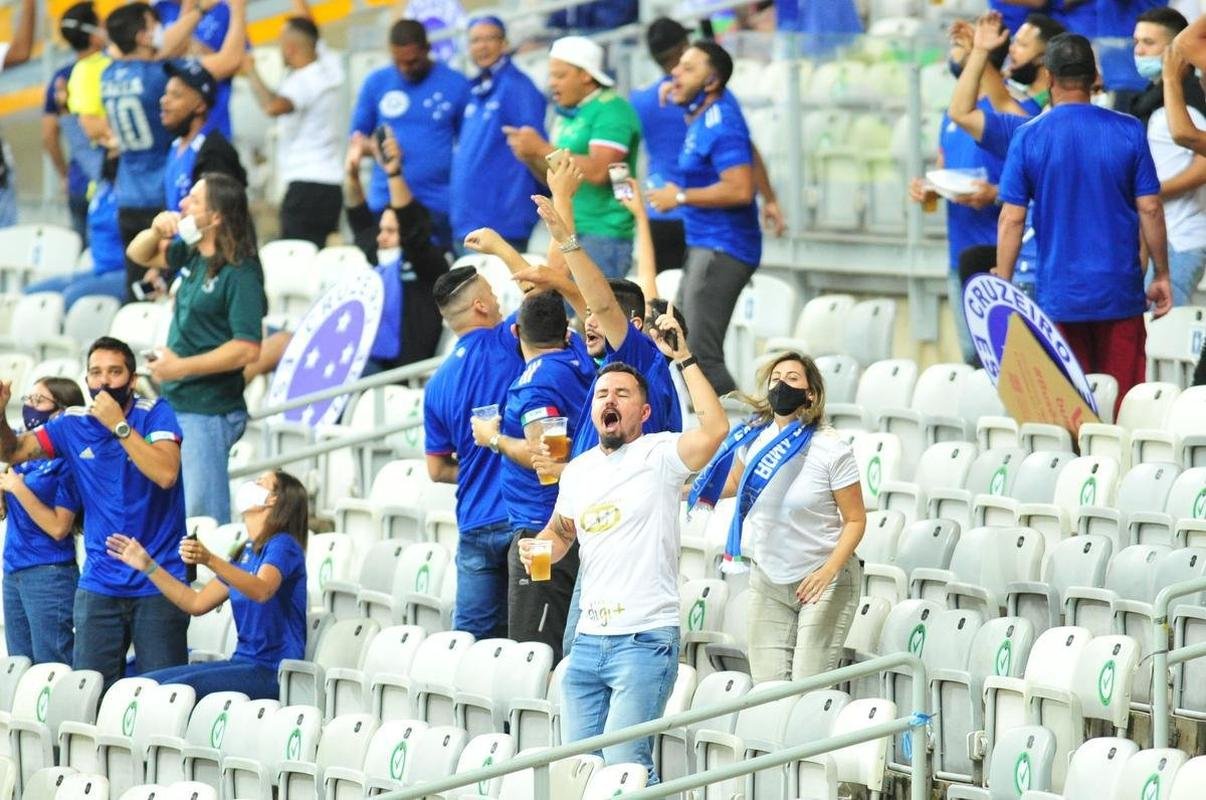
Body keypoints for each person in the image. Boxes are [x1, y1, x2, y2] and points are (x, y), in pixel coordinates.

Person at [517, 330, 728, 784]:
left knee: (626, 763)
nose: (609, 399)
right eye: (602, 394)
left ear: (644, 412)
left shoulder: (660, 453)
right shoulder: (578, 470)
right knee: (580, 769)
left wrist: (685, 358)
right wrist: (538, 549)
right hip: (587, 641)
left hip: (643, 638)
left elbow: (715, 431)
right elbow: (561, 533)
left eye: (622, 393)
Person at [995, 33, 1173, 414]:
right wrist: (1161, 273)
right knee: (1123, 410)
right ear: (1094, 77)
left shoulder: (1028, 137)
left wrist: (1003, 285)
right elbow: (1151, 209)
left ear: (1048, 76)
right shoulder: (1129, 130)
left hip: (1059, 296)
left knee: (1070, 412)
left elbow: (1011, 218)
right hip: (1120, 293)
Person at [0, 336, 189, 691]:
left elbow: (166, 473)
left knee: (160, 694)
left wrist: (119, 426)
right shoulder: (74, 424)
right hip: (99, 582)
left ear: (132, 379)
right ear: (86, 379)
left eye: (115, 372)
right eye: (96, 372)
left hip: (158, 578)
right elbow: (13, 452)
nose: (104, 381)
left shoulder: (155, 413)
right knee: (86, 695)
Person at [691, 352, 865, 682]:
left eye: (792, 378)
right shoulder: (754, 437)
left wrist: (827, 572)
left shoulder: (830, 447)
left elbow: (856, 520)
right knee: (769, 691)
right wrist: (683, 490)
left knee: (807, 688)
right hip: (769, 578)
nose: (781, 384)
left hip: (822, 577)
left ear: (810, 393)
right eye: (776, 379)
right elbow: (735, 482)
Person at [126, 173, 264, 523]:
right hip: (178, 401)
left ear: (215, 217)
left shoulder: (241, 272)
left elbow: (248, 348)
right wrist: (155, 231)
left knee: (204, 518)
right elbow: (138, 253)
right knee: (177, 513)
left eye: (195, 200)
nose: (184, 203)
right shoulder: (193, 252)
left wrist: (181, 367)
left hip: (208, 410)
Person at [467, 285, 594, 662]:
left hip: (540, 532)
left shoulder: (534, 386)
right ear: (566, 330)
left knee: (533, 651)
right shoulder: (580, 354)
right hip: (568, 522)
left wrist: (493, 439)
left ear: (516, 332)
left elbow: (548, 458)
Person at [106, 470, 307, 699]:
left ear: (273, 499)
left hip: (273, 671)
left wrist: (209, 559)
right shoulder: (246, 551)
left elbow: (262, 590)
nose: (252, 484)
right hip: (241, 663)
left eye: (261, 482)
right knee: (144, 682)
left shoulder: (284, 545)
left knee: (172, 691)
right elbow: (196, 602)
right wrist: (148, 565)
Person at [99, 0, 246, 300]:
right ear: (143, 36)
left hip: (127, 195)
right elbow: (229, 60)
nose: (164, 31)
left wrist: (191, 9)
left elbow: (165, 49)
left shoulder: (108, 75)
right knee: (166, 291)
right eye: (156, 26)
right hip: (160, 201)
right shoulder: (157, 78)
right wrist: (229, 8)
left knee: (139, 294)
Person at [646, 39, 760, 396]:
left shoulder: (721, 121)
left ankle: (746, 426)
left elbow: (740, 188)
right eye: (677, 66)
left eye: (688, 69)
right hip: (706, 244)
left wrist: (678, 197)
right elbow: (751, 152)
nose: (675, 74)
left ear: (711, 82)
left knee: (698, 355)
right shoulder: (706, 112)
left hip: (722, 246)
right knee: (679, 343)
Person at [630, 19, 786, 275]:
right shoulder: (716, 96)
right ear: (684, 48)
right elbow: (746, 149)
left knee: (663, 298)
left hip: (660, 211)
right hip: (705, 218)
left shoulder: (640, 100)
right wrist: (769, 199)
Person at [424, 266, 524, 640]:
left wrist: (473, 467)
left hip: (473, 524)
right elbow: (543, 286)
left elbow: (436, 469)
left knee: (470, 646)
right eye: (493, 294)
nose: (499, 301)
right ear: (480, 305)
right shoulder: (509, 340)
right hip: (520, 516)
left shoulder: (437, 383)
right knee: (529, 643)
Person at [910, 18, 1015, 364]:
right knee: (971, 355)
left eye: (960, 47)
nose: (953, 56)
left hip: (999, 254)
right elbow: (944, 169)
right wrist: (929, 189)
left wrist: (994, 193)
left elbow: (1032, 183)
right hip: (959, 253)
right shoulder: (949, 115)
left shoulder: (1008, 110)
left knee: (1002, 357)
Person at [503, 35, 641, 279]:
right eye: (551, 76)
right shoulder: (568, 115)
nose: (552, 83)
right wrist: (529, 157)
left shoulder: (612, 109)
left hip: (603, 233)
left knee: (593, 304)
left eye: (560, 75)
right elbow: (557, 179)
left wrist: (541, 148)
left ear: (585, 75)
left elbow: (599, 171)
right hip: (568, 228)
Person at [350, 19, 469, 249]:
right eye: (399, 61)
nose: (406, 67)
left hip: (437, 202)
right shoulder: (376, 83)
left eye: (413, 61)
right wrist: (375, 147)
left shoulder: (455, 83)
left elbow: (469, 142)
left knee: (433, 267)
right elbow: (357, 138)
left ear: (427, 49)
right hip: (386, 200)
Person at [345, 128, 448, 371]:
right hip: (369, 359)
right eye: (382, 229)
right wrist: (352, 175)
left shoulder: (429, 264)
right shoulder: (381, 256)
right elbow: (359, 219)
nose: (381, 237)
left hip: (401, 371)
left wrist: (393, 172)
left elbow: (412, 229)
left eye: (390, 231)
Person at [1123, 8, 1206, 308]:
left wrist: (1150, 192)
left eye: (1149, 43)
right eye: (1136, 42)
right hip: (1156, 232)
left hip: (1181, 237)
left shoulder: (1188, 99)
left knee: (1162, 324)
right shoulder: (1149, 99)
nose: (1139, 51)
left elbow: (1198, 157)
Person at [241, 11, 345, 248]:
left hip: (306, 187)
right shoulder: (329, 68)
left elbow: (273, 106)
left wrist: (250, 70)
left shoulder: (304, 80)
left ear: (290, 48)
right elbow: (309, 26)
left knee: (296, 257)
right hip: (330, 186)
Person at [0, 377, 85, 665]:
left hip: (49, 573)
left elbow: (59, 528)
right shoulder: (20, 451)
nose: (30, 406)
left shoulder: (67, 460)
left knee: (52, 667)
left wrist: (17, 488)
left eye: (39, 401)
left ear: (61, 410)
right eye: (28, 399)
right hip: (14, 570)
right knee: (19, 667)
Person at [449, 15, 546, 255]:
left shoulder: (517, 87)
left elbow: (533, 148)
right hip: (468, 219)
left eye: (489, 39)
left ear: (504, 44)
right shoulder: (475, 88)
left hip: (500, 223)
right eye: (475, 40)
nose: (482, 46)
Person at [43, 2, 107, 244]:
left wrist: (65, 175)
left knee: (83, 254)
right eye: (102, 24)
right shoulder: (110, 69)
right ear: (93, 35)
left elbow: (49, 136)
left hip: (78, 183)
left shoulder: (60, 78)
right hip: (109, 183)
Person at [161, 58, 246, 212]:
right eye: (166, 93)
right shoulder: (176, 145)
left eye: (176, 95)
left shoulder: (214, 153)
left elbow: (220, 215)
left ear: (200, 106)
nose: (164, 101)